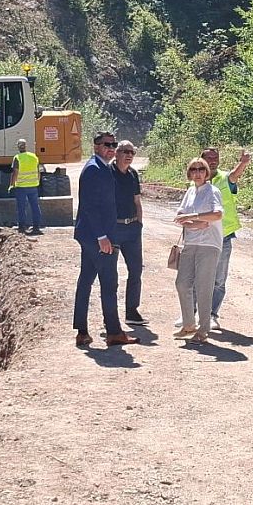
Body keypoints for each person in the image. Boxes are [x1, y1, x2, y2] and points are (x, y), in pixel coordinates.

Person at [73, 131, 133, 348]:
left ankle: (82, 332)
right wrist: (102, 236)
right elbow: (90, 207)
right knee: (109, 283)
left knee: (86, 281)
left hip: (92, 236)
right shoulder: (93, 169)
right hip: (97, 237)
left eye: (113, 145)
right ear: (96, 146)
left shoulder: (101, 167)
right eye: (107, 144)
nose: (111, 148)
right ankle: (114, 332)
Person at [173, 158, 224, 341]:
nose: (197, 172)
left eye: (201, 169)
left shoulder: (213, 191)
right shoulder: (190, 191)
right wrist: (196, 223)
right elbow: (180, 216)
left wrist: (193, 217)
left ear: (206, 172)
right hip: (190, 243)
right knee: (182, 283)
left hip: (209, 244)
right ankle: (188, 324)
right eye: (193, 169)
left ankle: (203, 329)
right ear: (189, 173)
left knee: (204, 286)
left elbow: (217, 214)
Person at [201, 145, 252, 329]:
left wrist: (243, 163)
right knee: (198, 277)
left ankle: (212, 315)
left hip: (223, 236)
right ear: (202, 160)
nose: (213, 161)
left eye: (215, 158)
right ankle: (193, 313)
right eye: (209, 158)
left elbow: (235, 175)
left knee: (219, 279)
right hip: (201, 236)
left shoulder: (225, 178)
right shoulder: (196, 180)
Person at [112, 139, 146, 324]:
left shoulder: (133, 174)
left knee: (136, 270)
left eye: (132, 152)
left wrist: (139, 224)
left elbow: (137, 201)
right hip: (114, 228)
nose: (129, 155)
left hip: (132, 228)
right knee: (111, 274)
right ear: (116, 153)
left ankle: (132, 312)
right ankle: (110, 315)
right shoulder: (107, 173)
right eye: (125, 151)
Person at [11, 140, 42, 234]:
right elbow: (38, 172)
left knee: (21, 207)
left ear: (18, 147)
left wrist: (12, 184)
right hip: (33, 186)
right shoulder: (34, 157)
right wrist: (37, 182)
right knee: (35, 206)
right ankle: (36, 227)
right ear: (25, 146)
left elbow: (15, 173)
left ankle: (22, 227)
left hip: (21, 186)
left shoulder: (17, 158)